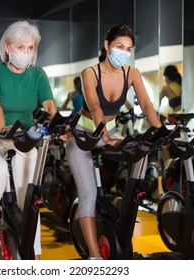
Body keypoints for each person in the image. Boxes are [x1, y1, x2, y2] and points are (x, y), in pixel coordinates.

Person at [65, 24, 162, 260]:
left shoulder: (132, 74)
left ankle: (119, 221)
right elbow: (95, 106)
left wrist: (161, 131)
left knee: (138, 160)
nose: (124, 52)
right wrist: (103, 135)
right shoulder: (90, 72)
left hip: (109, 133)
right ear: (107, 46)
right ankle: (95, 256)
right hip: (83, 136)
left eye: (128, 49)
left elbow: (147, 105)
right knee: (88, 194)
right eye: (120, 46)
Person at [0, 20, 57, 259]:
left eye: (30, 48)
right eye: (21, 47)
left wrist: (58, 121)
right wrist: (2, 128)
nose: (27, 53)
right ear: (7, 48)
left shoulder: (38, 74)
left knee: (30, 197)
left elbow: (49, 104)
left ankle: (36, 256)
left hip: (22, 138)